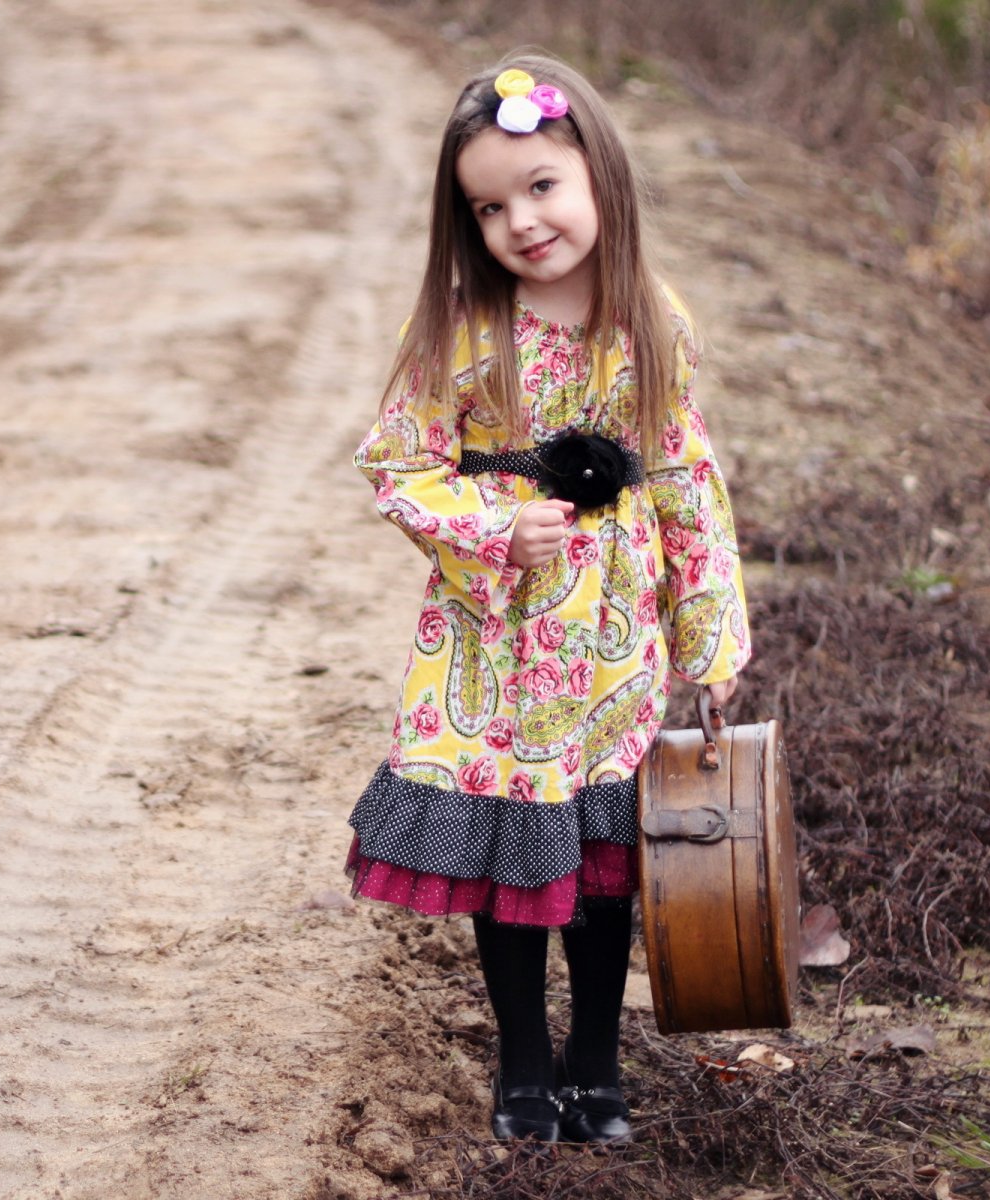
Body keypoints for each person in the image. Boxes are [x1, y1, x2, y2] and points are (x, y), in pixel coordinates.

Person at [345, 53, 751, 1145]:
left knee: (606, 866)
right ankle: (524, 1065)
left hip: (613, 644)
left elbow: (683, 478)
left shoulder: (653, 321)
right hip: (494, 642)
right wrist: (488, 524)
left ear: (599, 177)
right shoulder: (457, 331)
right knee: (511, 856)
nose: (522, 222)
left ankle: (598, 1066)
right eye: (489, 206)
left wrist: (708, 634)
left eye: (541, 188)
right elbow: (396, 467)